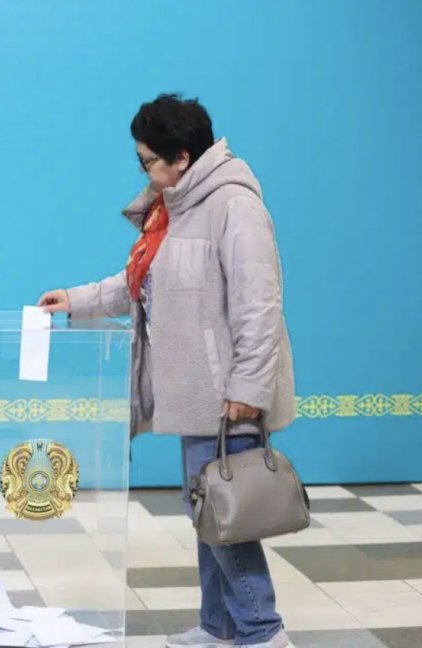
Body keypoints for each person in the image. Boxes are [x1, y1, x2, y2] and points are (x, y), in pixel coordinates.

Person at [38, 93, 297, 648]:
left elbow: (259, 305)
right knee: (210, 510)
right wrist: (75, 299)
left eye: (148, 160)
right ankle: (221, 626)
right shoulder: (175, 208)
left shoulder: (234, 206)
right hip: (195, 391)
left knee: (226, 514)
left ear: (182, 157)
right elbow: (138, 280)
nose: (144, 171)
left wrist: (248, 387)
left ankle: (263, 630)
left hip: (226, 394)